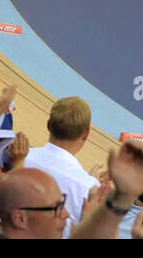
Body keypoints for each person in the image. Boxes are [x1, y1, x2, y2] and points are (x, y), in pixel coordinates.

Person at [22, 97, 101, 230]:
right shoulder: (89, 190)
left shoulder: (19, 156)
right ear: (86, 134)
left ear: (49, 126)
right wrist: (89, 181)